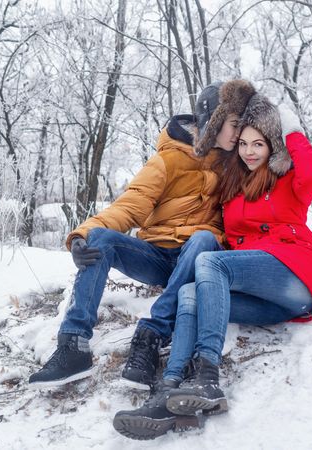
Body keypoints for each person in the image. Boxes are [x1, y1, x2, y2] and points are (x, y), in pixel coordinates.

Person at [113, 93, 312, 439]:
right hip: (265, 296)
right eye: (243, 143)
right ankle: (169, 390)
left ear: (272, 145)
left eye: (259, 143)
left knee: (211, 264)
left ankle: (207, 378)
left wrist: (290, 129)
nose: (250, 151)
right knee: (190, 292)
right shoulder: (235, 190)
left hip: (296, 273)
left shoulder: (287, 178)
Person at [28, 80, 257, 389]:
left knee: (204, 238)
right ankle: (73, 346)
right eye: (233, 124)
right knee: (101, 238)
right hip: (158, 257)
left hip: (197, 259)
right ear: (213, 121)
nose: (239, 132)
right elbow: (130, 205)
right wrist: (81, 235)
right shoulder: (168, 160)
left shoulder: (237, 165)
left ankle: (152, 334)